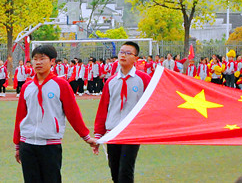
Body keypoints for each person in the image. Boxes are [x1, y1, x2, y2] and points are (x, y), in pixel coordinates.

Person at [13, 44, 98, 182]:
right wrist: (18, 145)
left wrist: (86, 137)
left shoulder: (61, 85)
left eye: (42, 58)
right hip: (27, 144)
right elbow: (20, 116)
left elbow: (73, 113)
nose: (38, 62)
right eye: (35, 59)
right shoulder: (27, 87)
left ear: (52, 61)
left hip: (50, 145)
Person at [95, 41, 152, 183]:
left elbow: (153, 103)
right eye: (121, 52)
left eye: (128, 53)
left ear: (136, 58)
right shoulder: (111, 81)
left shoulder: (143, 79)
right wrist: (98, 133)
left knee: (125, 171)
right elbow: (104, 108)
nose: (123, 56)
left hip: (132, 132)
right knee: (114, 170)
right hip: (113, 131)